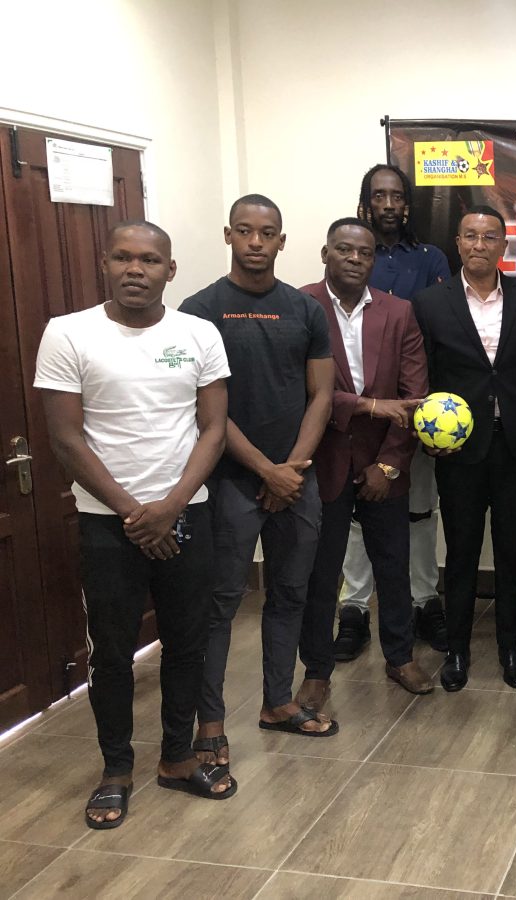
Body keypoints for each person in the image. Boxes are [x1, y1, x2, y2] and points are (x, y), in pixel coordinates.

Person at [35, 221, 234, 828]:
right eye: (122, 257)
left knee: (186, 645)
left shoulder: (199, 334)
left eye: (149, 260)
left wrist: (172, 506)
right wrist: (133, 512)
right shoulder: (68, 333)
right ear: (105, 263)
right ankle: (115, 769)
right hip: (107, 524)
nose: (134, 269)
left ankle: (176, 758)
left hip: (186, 516)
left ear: (169, 271)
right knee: (113, 653)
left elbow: (214, 428)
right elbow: (65, 438)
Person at [180, 194, 337, 770]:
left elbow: (321, 394)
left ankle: (277, 702)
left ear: (281, 241)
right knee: (222, 603)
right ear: (228, 235)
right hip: (230, 481)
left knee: (290, 594)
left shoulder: (304, 310)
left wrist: (291, 470)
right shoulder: (199, 311)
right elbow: (206, 412)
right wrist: (265, 470)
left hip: (296, 481)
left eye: (266, 232)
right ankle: (211, 722)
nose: (255, 241)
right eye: (244, 231)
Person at [411, 204, 516, 692]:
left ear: (503, 245)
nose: (479, 244)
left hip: (514, 448)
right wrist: (428, 436)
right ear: (457, 242)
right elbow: (422, 376)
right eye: (470, 236)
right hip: (459, 453)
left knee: (512, 552)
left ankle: (510, 647)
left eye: (489, 237)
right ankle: (456, 651)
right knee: (463, 552)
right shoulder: (430, 303)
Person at [298, 218, 432, 707]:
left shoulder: (399, 313)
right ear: (325, 252)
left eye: (365, 252)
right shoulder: (302, 305)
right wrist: (367, 406)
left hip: (384, 463)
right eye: (344, 250)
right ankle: (316, 669)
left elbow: (414, 399)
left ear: (374, 259)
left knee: (393, 568)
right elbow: (302, 392)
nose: (355, 259)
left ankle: (400, 657)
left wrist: (390, 465)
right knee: (321, 571)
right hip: (324, 461)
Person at [334, 165, 452, 660]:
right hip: (353, 417)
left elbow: (444, 328)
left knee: (420, 512)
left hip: (414, 411)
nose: (388, 204)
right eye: (378, 196)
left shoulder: (430, 259)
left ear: (407, 206)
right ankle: (354, 609)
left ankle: (426, 601)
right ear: (365, 204)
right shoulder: (353, 254)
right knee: (358, 519)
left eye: (396, 197)